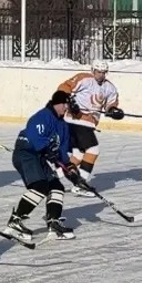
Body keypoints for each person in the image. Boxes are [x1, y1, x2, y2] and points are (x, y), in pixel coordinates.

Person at [3, 90, 90, 243]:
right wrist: (47, 150)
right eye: (65, 104)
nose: (66, 108)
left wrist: (73, 175)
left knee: (57, 186)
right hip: (26, 154)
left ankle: (54, 224)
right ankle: (15, 222)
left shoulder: (63, 125)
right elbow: (34, 137)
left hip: (40, 158)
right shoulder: (42, 116)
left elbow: (62, 152)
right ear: (57, 103)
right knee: (40, 186)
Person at [57, 59, 123, 196]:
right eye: (99, 72)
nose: (101, 75)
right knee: (93, 150)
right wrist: (70, 101)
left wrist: (114, 110)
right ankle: (80, 184)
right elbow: (64, 87)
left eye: (104, 72)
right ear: (93, 70)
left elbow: (111, 104)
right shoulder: (84, 79)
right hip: (75, 120)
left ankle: (52, 177)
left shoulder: (109, 87)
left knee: (79, 154)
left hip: (89, 123)